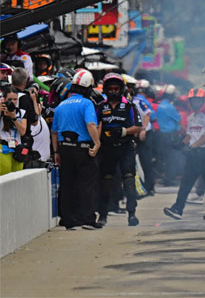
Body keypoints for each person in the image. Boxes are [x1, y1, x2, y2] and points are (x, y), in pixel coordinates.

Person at [51, 69, 103, 230]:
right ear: (88, 87)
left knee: (67, 185)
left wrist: (56, 152)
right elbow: (90, 124)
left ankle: (68, 219)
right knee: (87, 185)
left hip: (65, 149)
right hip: (83, 149)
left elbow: (54, 131)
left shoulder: (60, 105)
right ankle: (88, 219)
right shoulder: (87, 104)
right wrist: (97, 143)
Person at [163, 88, 205, 220]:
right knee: (186, 183)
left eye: (198, 101)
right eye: (193, 101)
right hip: (194, 154)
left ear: (202, 101)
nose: (195, 103)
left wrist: (192, 146)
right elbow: (189, 135)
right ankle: (177, 209)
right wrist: (181, 144)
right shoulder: (191, 117)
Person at [96, 73, 142, 227]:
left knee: (129, 181)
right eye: (111, 88)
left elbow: (138, 127)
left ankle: (132, 214)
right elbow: (96, 126)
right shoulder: (101, 107)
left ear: (121, 89)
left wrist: (123, 131)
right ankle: (102, 215)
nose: (114, 91)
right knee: (105, 183)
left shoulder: (130, 106)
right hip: (107, 149)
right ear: (106, 89)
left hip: (126, 148)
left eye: (117, 88)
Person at [132, 79, 156, 195]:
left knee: (145, 160)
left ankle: (149, 187)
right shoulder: (135, 100)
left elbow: (148, 114)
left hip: (145, 133)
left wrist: (143, 129)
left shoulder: (137, 101)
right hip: (139, 132)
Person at [155, 85, 182, 185]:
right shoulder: (171, 108)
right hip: (170, 135)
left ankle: (166, 177)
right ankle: (170, 179)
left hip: (161, 135)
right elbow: (178, 119)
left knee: (164, 157)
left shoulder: (159, 106)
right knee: (172, 158)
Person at [0, 86, 29, 175]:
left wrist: (14, 118)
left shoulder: (22, 113)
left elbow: (23, 132)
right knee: (5, 174)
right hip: (3, 147)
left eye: (15, 99)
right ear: (4, 99)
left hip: (17, 149)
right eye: (10, 99)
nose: (13, 102)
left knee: (17, 176)